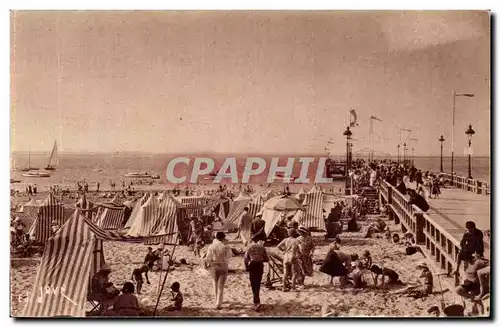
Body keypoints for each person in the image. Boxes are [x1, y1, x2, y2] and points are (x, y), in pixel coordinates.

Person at [205, 232, 233, 309]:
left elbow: (208, 258)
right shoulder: (225, 247)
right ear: (223, 238)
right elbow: (230, 256)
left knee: (215, 283)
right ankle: (218, 303)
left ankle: (216, 299)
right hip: (223, 265)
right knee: (221, 285)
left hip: (214, 265)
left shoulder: (211, 246)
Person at [244, 234, 269, 310]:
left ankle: (256, 300)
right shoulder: (262, 247)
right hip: (259, 266)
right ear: (258, 240)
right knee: (258, 283)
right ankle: (257, 300)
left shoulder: (249, 247)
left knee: (253, 283)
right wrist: (260, 259)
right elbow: (266, 259)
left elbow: (246, 258)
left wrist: (247, 267)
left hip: (252, 266)